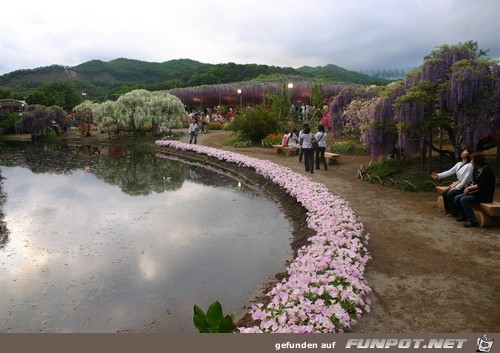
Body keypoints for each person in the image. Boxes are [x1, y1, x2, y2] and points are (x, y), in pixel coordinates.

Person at [454, 152, 496, 227]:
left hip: (485, 195)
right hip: (477, 193)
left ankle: (473, 220)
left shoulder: (487, 170)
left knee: (464, 199)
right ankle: (464, 216)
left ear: (477, 161)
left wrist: (469, 188)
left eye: (472, 160)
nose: (471, 161)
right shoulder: (476, 169)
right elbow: (474, 182)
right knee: (457, 198)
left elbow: (482, 185)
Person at [431, 149, 473, 217]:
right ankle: (448, 210)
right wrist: (438, 175)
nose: (463, 152)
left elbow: (466, 179)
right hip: (459, 184)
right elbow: (449, 172)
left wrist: (457, 188)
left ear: (469, 154)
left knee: (451, 193)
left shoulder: (470, 166)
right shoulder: (458, 164)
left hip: (466, 186)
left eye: (466, 151)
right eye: (463, 151)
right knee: (444, 192)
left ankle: (454, 212)